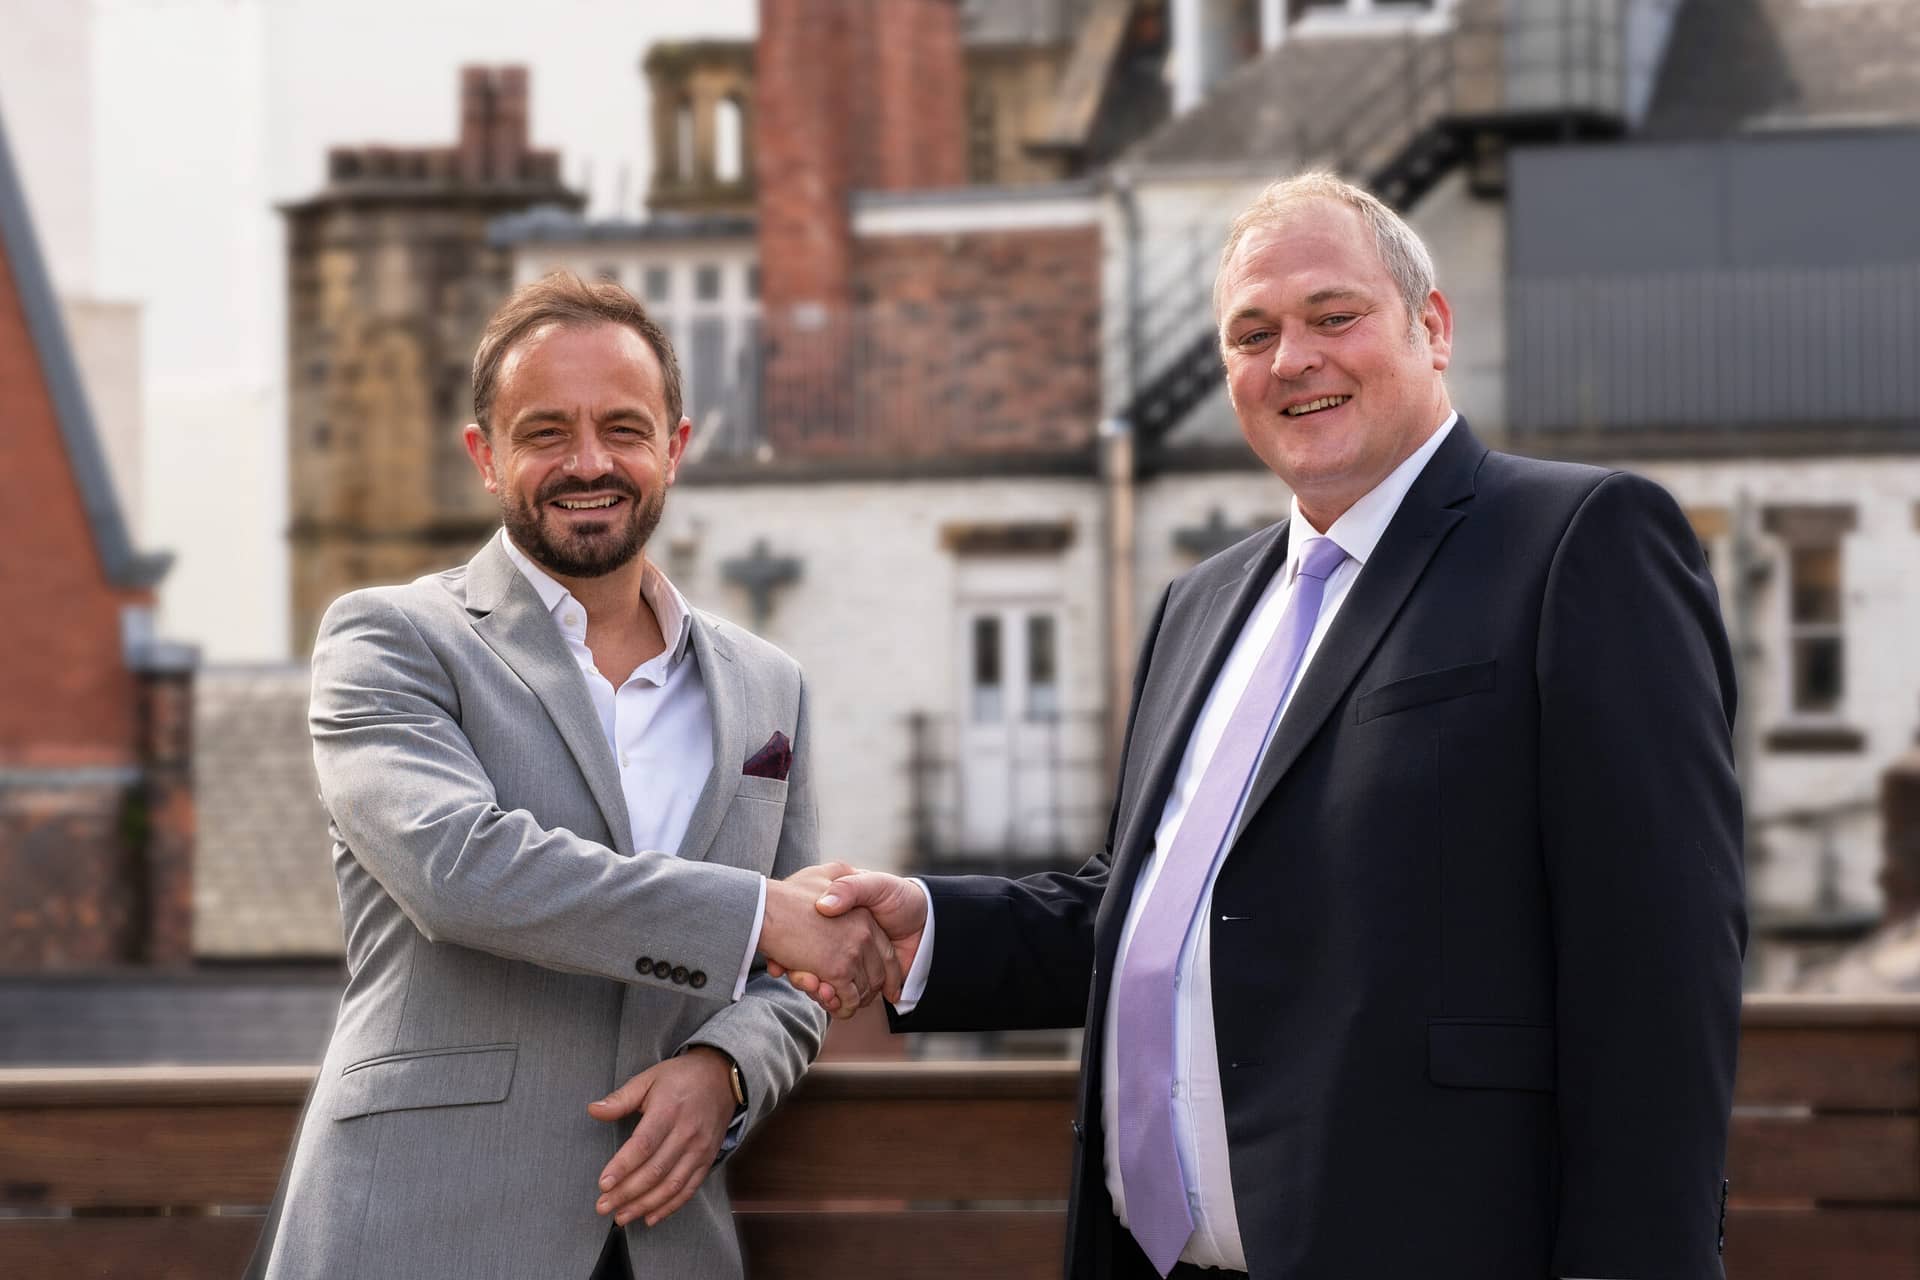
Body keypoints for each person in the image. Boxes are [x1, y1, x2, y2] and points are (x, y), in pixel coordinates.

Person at [781, 173, 1747, 1279]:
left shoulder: (1579, 541)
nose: (1293, 358)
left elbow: (1662, 952)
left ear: (1431, 328)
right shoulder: (1202, 604)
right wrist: (931, 929)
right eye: (1253, 333)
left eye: (1333, 316)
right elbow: (1159, 910)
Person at [253, 272, 901, 1280]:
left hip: (667, 1235)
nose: (589, 462)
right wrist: (757, 915)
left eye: (624, 428)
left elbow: (798, 980)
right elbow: (458, 868)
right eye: (547, 430)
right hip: (424, 1225)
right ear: (486, 454)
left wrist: (725, 1068)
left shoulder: (771, 685)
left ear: (676, 448)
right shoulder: (388, 640)